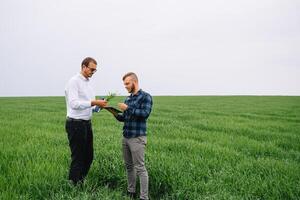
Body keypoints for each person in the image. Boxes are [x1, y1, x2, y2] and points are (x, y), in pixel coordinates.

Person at [64, 57, 107, 185]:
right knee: (78, 157)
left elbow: (90, 106)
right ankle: (73, 185)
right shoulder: (74, 82)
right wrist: (94, 102)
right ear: (83, 66)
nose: (93, 72)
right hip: (75, 124)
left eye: (95, 70)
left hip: (87, 124)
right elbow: (74, 104)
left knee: (89, 156)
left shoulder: (88, 83)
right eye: (91, 69)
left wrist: (98, 106)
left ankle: (80, 182)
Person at [114, 72, 153, 200]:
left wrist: (128, 108)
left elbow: (144, 114)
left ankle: (144, 197)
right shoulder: (128, 99)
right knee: (129, 167)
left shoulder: (145, 97)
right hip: (126, 137)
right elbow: (124, 118)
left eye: (127, 83)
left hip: (137, 137)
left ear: (134, 82)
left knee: (140, 168)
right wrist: (114, 113)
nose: (125, 86)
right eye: (124, 84)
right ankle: (131, 192)